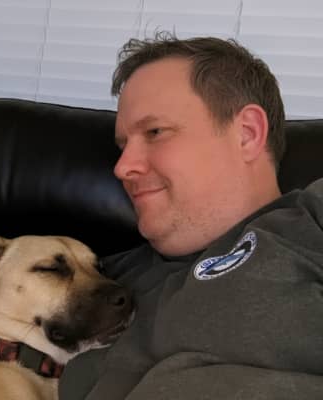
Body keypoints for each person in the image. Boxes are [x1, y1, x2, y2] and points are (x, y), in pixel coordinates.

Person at [58, 32, 323, 399]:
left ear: (247, 134)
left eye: (155, 132)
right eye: (123, 146)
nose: (122, 167)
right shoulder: (95, 279)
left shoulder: (311, 222)